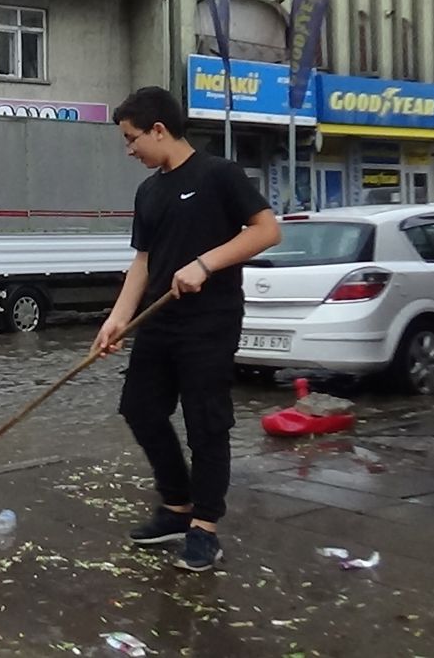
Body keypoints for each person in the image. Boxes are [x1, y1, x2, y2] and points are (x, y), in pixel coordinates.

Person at [92, 87, 282, 573]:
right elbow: (143, 261)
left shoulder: (219, 175)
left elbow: (266, 230)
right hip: (158, 321)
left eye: (132, 138)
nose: (129, 149)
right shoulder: (148, 191)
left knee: (206, 422)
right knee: (139, 408)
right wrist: (117, 318)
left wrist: (205, 264)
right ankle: (177, 505)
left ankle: (205, 528)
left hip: (209, 322)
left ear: (159, 130)